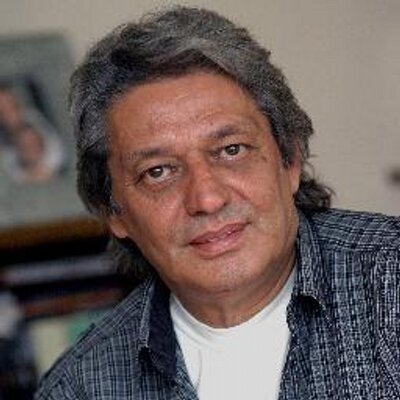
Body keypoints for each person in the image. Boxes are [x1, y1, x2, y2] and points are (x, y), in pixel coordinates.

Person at [35, 6, 400, 400]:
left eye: (231, 150)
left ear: (290, 160)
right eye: (158, 172)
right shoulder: (78, 388)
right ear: (113, 212)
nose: (207, 199)